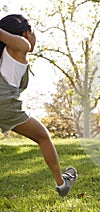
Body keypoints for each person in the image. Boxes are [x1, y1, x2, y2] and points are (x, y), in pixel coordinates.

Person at [0, 14, 78, 196]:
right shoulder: (22, 46)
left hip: (5, 103)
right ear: (26, 33)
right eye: (33, 31)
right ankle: (62, 183)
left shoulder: (6, 54)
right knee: (43, 136)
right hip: (5, 104)